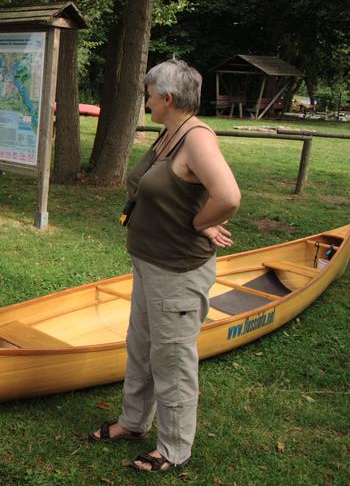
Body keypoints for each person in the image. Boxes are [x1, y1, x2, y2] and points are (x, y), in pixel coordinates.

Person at [89, 58, 241, 472]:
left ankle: (174, 448)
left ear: (168, 98)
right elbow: (169, 190)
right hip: (150, 265)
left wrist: (200, 223)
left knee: (172, 360)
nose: (146, 101)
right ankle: (133, 422)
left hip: (177, 272)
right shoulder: (169, 133)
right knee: (141, 348)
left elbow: (227, 196)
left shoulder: (197, 139)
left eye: (149, 95)